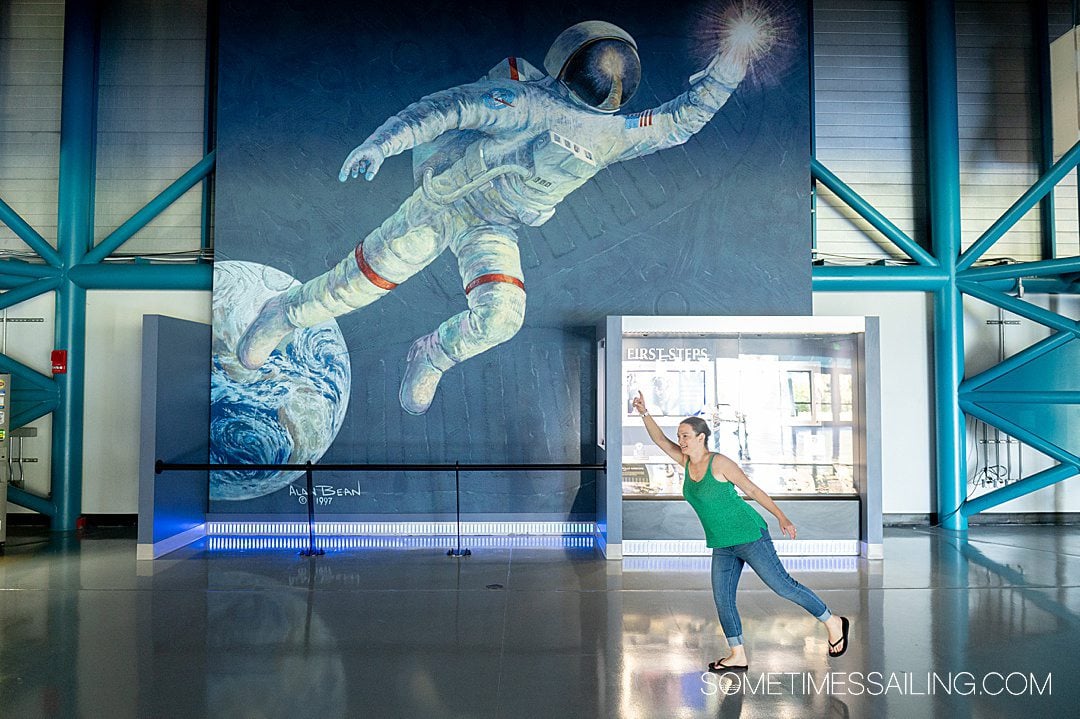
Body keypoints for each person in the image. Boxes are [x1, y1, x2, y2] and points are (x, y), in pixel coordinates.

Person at [237, 12, 777, 415]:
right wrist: (384, 144)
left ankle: (431, 355)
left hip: (494, 228)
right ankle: (282, 314)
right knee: (354, 288)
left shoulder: (615, 134)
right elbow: (444, 110)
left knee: (500, 318)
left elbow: (682, 121)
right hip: (444, 205)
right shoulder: (518, 100)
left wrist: (728, 70)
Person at [631, 390, 850, 671]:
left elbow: (752, 490)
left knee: (783, 586)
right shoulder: (686, 462)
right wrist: (644, 412)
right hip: (722, 543)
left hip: (750, 535)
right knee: (723, 598)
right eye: (680, 435)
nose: (680, 440)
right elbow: (659, 440)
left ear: (701, 438)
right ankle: (738, 654)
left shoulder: (719, 463)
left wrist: (781, 517)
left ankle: (833, 622)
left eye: (685, 435)